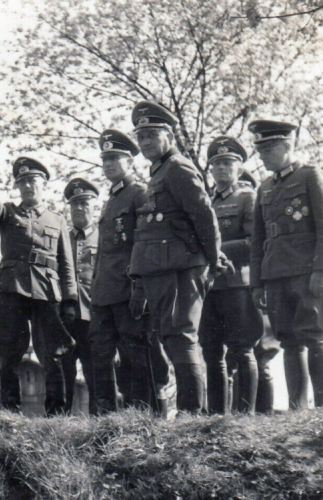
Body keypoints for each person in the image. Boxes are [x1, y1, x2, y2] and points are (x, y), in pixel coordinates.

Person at [129, 101, 231, 413]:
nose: (145, 142)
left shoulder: (178, 168)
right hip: (162, 269)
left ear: (169, 136)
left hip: (182, 268)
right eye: (141, 136)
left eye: (152, 135)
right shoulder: (159, 171)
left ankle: (191, 414)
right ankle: (190, 411)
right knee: (172, 337)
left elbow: (204, 216)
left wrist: (212, 261)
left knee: (181, 336)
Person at [0, 157, 77, 416]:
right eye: (22, 182)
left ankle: (56, 413)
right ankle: (10, 412)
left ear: (43, 185)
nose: (27, 186)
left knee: (53, 351)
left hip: (46, 291)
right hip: (11, 288)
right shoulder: (8, 213)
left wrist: (70, 299)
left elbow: (66, 264)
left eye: (32, 181)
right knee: (8, 349)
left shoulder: (57, 220)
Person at [248, 119, 323, 410]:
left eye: (268, 149)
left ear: (287, 146)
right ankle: (297, 409)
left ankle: (322, 407)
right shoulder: (264, 188)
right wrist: (257, 284)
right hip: (275, 274)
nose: (262, 156)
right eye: (260, 151)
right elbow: (257, 240)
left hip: (307, 271)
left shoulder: (311, 176)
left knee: (314, 335)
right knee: (288, 340)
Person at [89, 129, 171, 415]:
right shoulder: (110, 200)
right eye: (105, 159)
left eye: (115, 158)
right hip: (103, 292)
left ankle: (142, 414)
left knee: (137, 352)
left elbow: (145, 243)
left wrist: (140, 287)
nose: (109, 164)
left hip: (128, 288)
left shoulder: (139, 194)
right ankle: (106, 416)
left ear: (130, 161)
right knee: (101, 353)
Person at [199, 136, 263, 414]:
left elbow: (254, 242)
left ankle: (245, 415)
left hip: (237, 284)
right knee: (211, 351)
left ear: (239, 168)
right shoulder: (205, 202)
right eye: (217, 164)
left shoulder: (247, 198)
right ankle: (217, 416)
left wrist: (214, 251)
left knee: (242, 349)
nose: (222, 169)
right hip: (208, 287)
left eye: (228, 163)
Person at [61, 178, 99, 414]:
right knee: (64, 369)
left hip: (94, 314)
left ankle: (97, 417)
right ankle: (62, 419)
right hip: (66, 315)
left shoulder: (104, 238)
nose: (79, 209)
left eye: (84, 203)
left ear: (95, 206)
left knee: (94, 368)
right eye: (74, 204)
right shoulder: (62, 237)